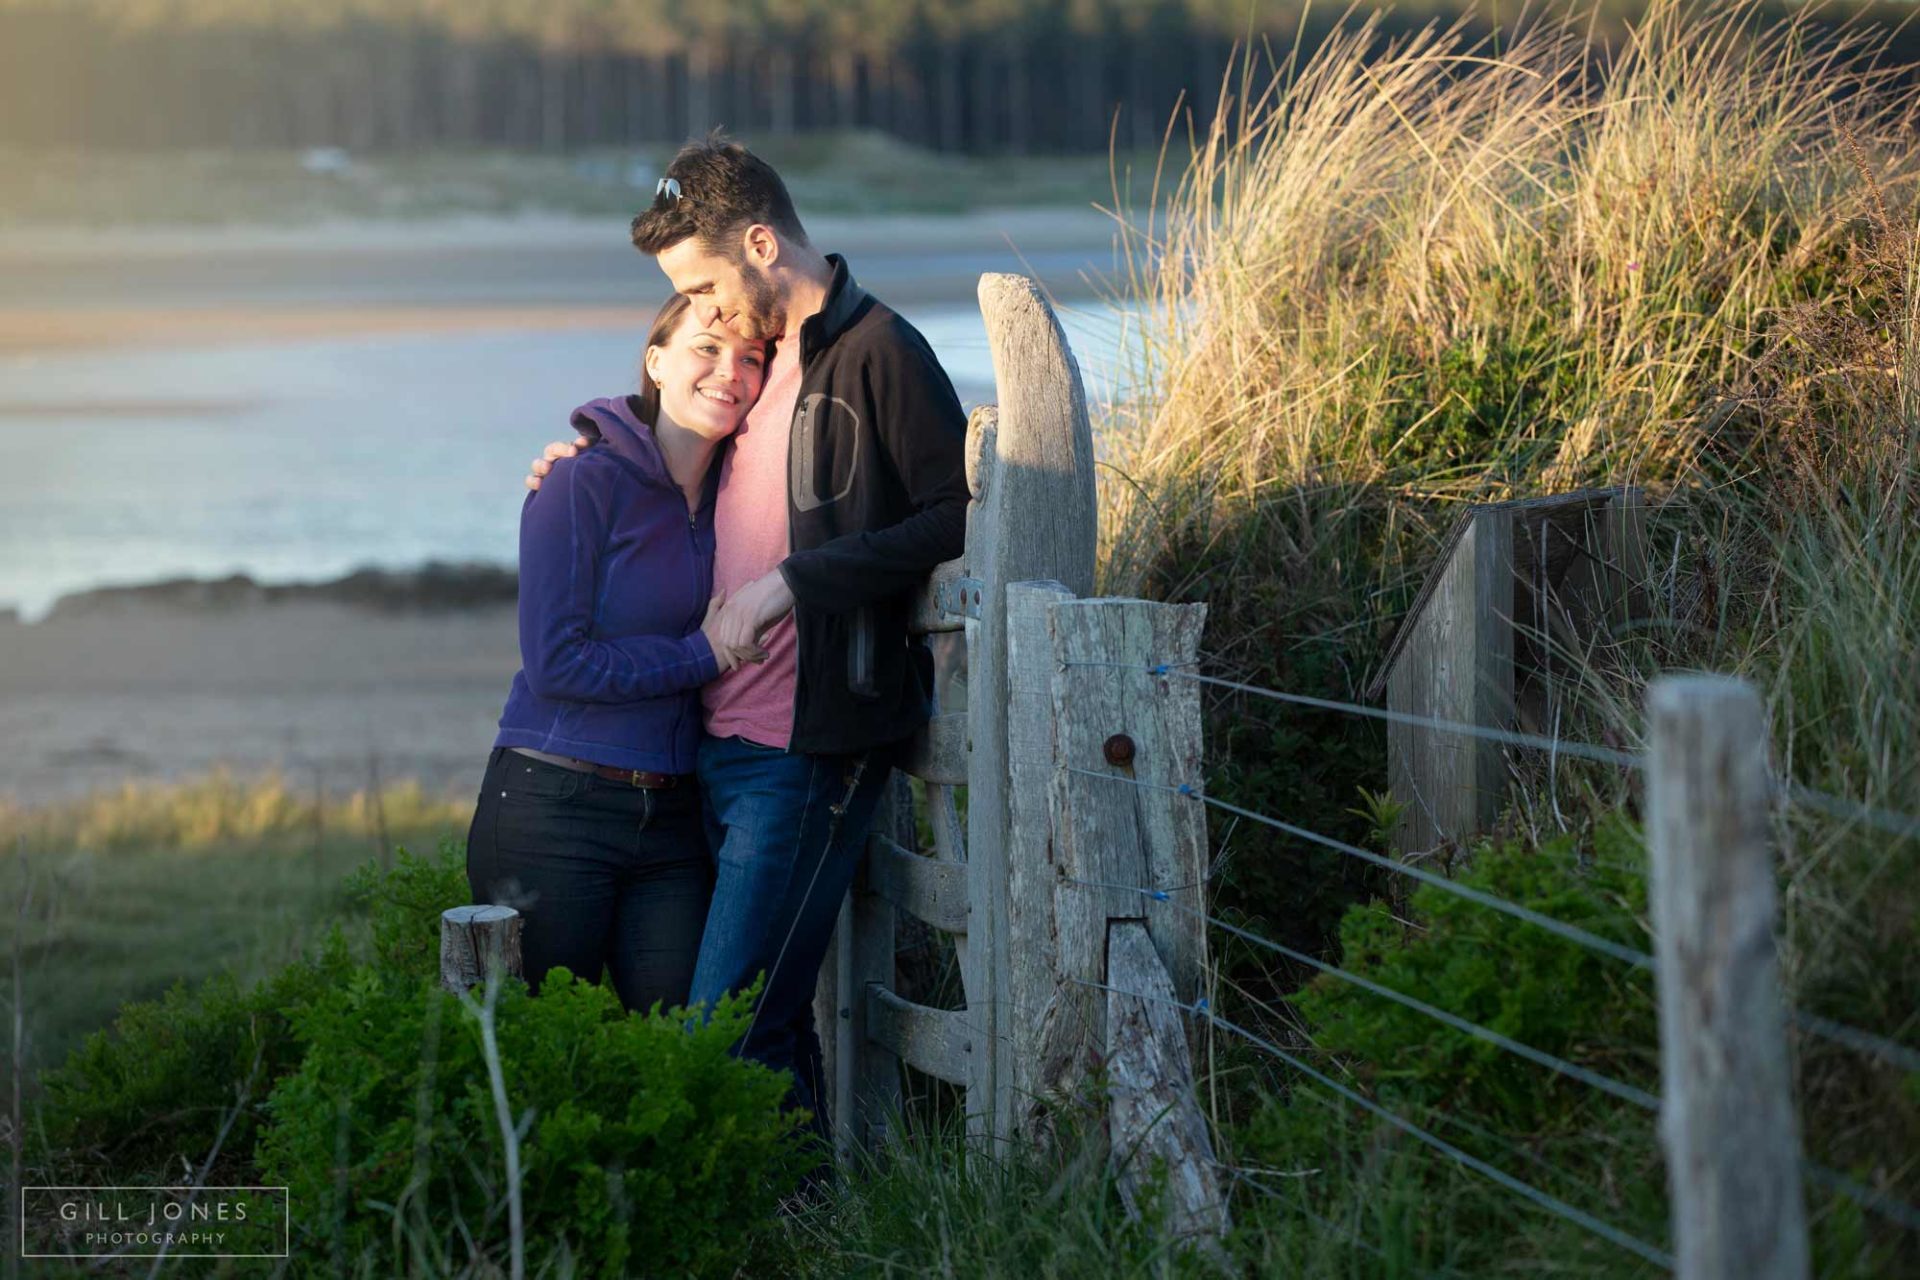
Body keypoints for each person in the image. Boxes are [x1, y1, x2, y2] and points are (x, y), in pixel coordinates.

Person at [527, 133, 968, 1138]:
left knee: (722, 1028)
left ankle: (787, 1223)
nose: (711, 312)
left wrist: (792, 582)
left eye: (710, 282)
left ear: (762, 241)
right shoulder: (758, 360)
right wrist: (579, 461)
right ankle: (807, 1223)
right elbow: (670, 439)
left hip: (809, 754)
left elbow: (951, 514)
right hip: (713, 747)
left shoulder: (881, 350)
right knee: (772, 1023)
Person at [469, 293, 768, 1015]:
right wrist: (705, 655)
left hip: (671, 820)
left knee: (680, 1049)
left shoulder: (744, 493)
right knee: (545, 1052)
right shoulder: (580, 481)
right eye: (706, 348)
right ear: (656, 363)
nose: (729, 370)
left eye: (751, 358)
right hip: (553, 804)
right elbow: (558, 664)